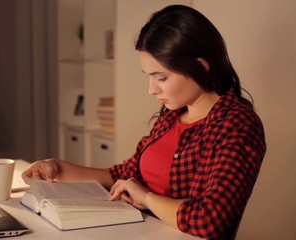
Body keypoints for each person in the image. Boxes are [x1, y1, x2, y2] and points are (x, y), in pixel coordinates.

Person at [22, 4, 266, 240]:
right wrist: (57, 168)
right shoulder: (172, 116)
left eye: (161, 77)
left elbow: (210, 220)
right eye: (149, 77)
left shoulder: (237, 124)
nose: (152, 90)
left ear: (200, 67)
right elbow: (126, 175)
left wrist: (147, 198)